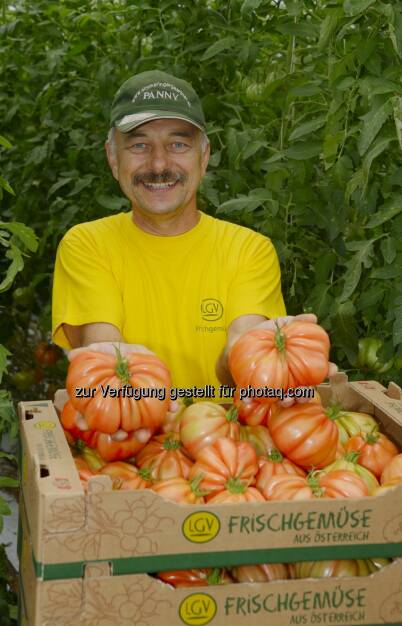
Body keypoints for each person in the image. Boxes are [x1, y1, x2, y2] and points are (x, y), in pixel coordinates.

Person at [52, 70, 327, 434]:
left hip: (229, 447)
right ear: (112, 158)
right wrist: (122, 395)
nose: (160, 164)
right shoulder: (87, 244)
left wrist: (278, 356)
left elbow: (239, 361)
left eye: (178, 144)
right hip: (126, 447)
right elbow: (104, 350)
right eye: (139, 145)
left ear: (205, 155)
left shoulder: (248, 249)